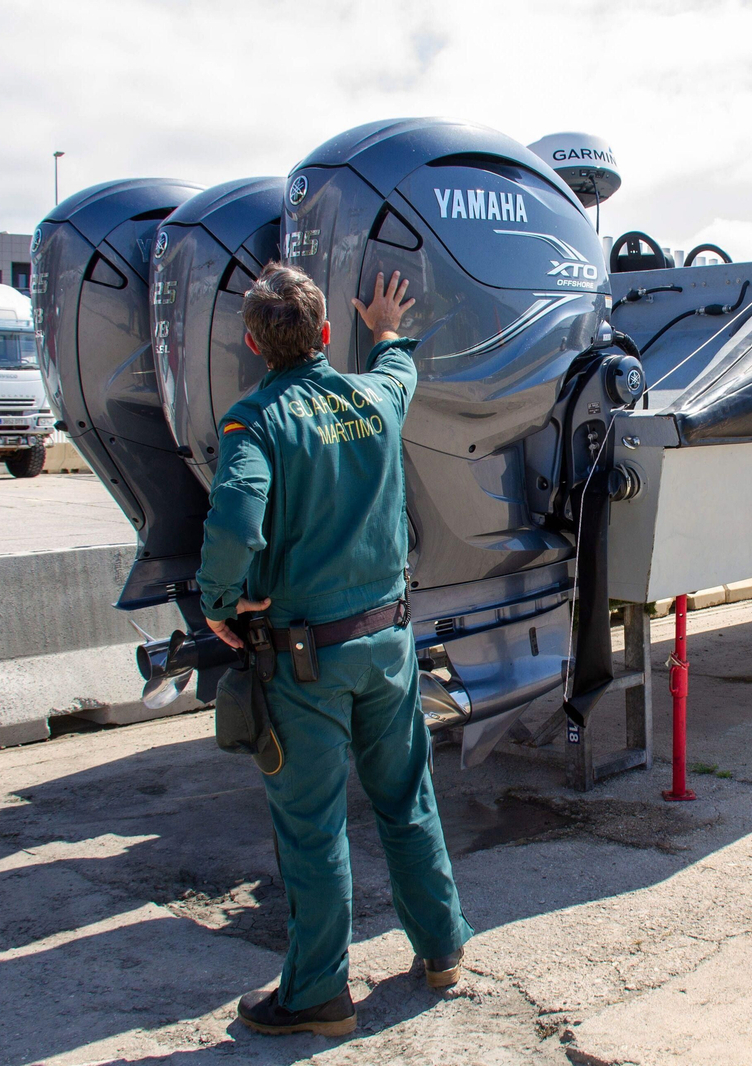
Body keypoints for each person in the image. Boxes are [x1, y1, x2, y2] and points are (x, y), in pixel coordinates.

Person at [197, 263, 472, 1037]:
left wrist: (220, 600)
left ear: (254, 344)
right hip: (388, 645)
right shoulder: (374, 399)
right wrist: (385, 328)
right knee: (407, 799)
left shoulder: (255, 422)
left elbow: (237, 516)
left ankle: (319, 994)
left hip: (304, 661)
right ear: (324, 333)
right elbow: (398, 369)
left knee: (313, 829)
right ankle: (442, 948)